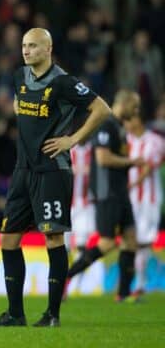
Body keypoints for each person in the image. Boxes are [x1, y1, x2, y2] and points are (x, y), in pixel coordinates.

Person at [0, 28, 111, 328]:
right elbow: (19, 106)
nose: (26, 51)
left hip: (52, 170)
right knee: (8, 239)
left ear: (48, 48)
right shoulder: (19, 77)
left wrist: (72, 139)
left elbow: (101, 109)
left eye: (33, 46)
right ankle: (15, 314)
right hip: (22, 171)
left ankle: (52, 314)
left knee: (52, 237)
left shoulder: (63, 82)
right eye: (24, 45)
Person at [67, 89, 145, 302]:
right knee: (107, 243)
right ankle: (67, 276)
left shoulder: (119, 127)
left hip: (120, 191)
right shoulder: (107, 125)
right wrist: (131, 162)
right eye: (134, 106)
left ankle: (123, 293)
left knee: (131, 239)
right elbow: (102, 159)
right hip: (107, 192)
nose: (136, 111)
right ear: (124, 103)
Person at [124, 114, 164, 296]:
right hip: (129, 199)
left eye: (128, 119)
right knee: (132, 240)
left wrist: (133, 183)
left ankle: (139, 284)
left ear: (137, 118)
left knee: (144, 241)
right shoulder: (125, 141)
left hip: (149, 199)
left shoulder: (155, 141)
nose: (126, 124)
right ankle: (134, 283)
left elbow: (150, 165)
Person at [65, 140, 96, 294]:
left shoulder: (95, 150)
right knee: (64, 248)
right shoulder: (67, 150)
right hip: (66, 204)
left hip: (86, 205)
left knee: (82, 245)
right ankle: (63, 283)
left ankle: (75, 284)